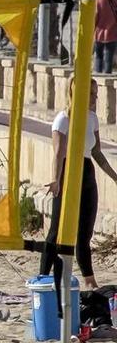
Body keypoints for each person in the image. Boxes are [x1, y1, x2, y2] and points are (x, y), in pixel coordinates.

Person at [42, 100, 117, 290]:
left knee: (85, 233)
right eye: (90, 94)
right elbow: (58, 153)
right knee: (56, 230)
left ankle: (89, 280)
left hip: (87, 173)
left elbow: (97, 152)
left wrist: (115, 177)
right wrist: (55, 179)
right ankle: (42, 278)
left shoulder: (92, 119)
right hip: (67, 173)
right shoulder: (63, 119)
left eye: (96, 94)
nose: (93, 98)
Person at [95, 0, 117, 75]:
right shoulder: (115, 1)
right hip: (112, 33)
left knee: (98, 56)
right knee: (109, 56)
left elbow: (95, 16)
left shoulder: (99, 0)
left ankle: (98, 75)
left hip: (99, 33)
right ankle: (107, 74)